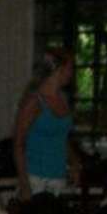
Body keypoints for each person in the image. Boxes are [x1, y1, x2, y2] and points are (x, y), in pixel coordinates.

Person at [14, 47, 79, 196]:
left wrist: (74, 162)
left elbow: (62, 138)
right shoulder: (34, 102)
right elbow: (18, 144)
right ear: (59, 69)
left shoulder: (63, 100)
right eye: (70, 68)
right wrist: (25, 185)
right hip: (36, 179)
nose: (71, 74)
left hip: (58, 178)